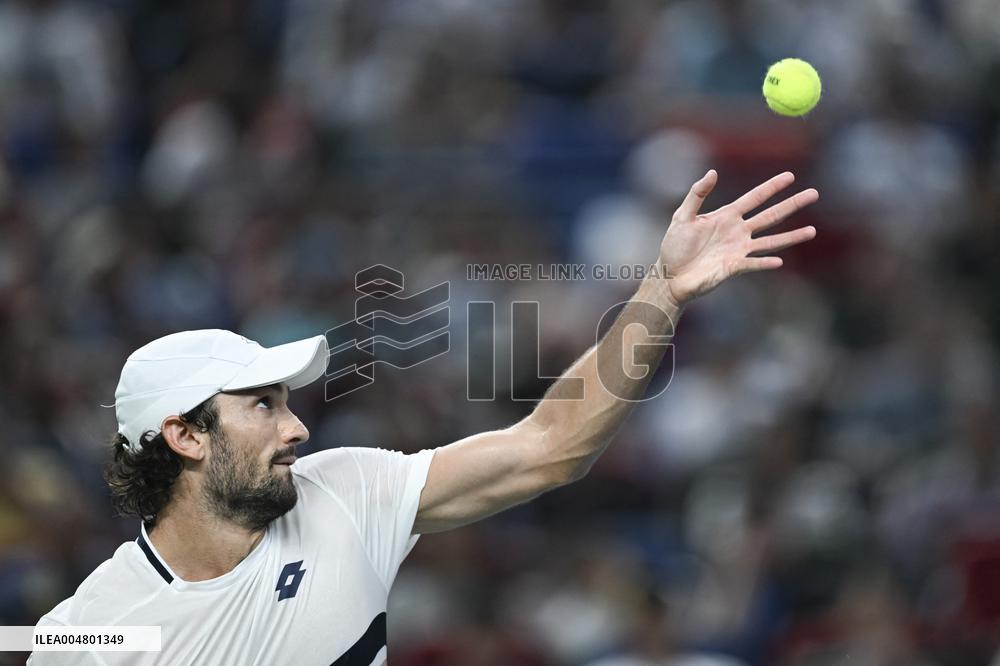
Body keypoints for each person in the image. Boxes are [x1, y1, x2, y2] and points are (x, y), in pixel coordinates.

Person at [30, 170, 817, 665]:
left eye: (289, 402)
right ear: (185, 435)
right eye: (262, 406)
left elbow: (548, 447)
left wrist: (663, 291)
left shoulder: (343, 489)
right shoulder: (96, 633)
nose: (297, 428)